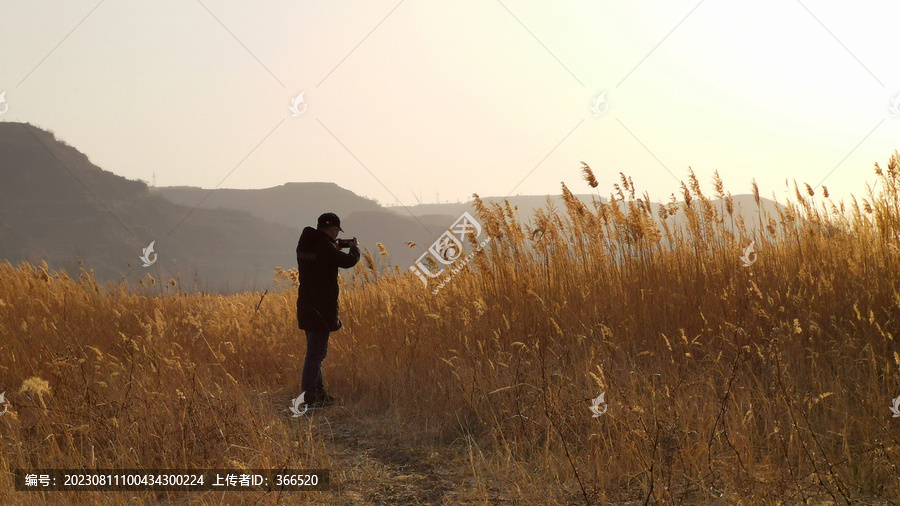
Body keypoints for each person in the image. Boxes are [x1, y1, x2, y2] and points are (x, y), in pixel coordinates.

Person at [296, 212, 359, 408]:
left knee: (314, 352)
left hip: (306, 306)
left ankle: (319, 394)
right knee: (316, 355)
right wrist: (355, 249)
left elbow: (322, 257)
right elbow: (348, 261)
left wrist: (333, 247)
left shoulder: (305, 244)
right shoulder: (325, 248)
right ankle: (309, 398)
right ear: (334, 230)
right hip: (321, 309)